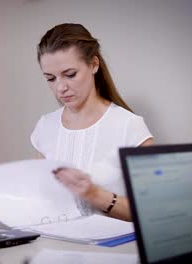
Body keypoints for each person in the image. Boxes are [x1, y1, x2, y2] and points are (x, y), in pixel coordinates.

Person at [31, 23, 154, 222]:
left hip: (116, 249)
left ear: (94, 64)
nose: (60, 87)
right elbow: (38, 198)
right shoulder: (45, 126)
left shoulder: (129, 126)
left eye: (70, 74)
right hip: (56, 243)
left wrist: (94, 194)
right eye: (50, 78)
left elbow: (153, 211)